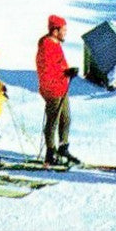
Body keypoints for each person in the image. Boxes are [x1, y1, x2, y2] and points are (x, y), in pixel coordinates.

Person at [35, 14, 80, 167]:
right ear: (55, 31)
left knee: (65, 118)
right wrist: (65, 73)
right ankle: (50, 152)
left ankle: (63, 147)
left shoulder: (55, 44)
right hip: (53, 89)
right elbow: (47, 71)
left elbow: (58, 65)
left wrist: (67, 71)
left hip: (61, 87)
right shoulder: (47, 46)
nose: (65, 32)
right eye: (63, 30)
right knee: (53, 121)